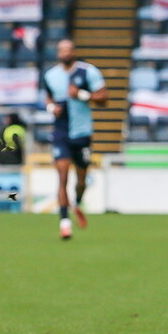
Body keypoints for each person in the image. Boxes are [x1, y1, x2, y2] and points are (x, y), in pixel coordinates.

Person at [43, 39, 107, 240]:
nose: (65, 53)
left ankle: (77, 203)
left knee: (81, 179)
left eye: (68, 50)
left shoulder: (88, 72)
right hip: (61, 132)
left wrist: (81, 94)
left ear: (74, 52)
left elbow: (103, 98)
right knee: (62, 175)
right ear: (58, 53)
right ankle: (64, 223)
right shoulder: (51, 75)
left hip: (81, 133)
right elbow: (48, 98)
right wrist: (51, 108)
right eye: (61, 50)